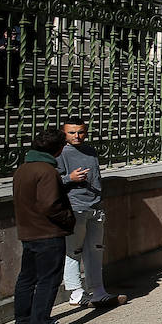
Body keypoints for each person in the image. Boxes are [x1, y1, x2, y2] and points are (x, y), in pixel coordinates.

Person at [13, 128, 79, 324]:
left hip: (28, 232)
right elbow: (51, 204)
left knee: (27, 277)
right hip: (47, 233)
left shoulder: (23, 169)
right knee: (48, 280)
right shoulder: (47, 171)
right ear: (59, 149)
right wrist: (68, 219)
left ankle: (23, 321)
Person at [57, 117, 126, 308]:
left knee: (95, 249)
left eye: (80, 132)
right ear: (64, 134)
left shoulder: (90, 150)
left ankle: (98, 290)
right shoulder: (61, 152)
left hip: (95, 206)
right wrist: (69, 178)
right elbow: (52, 180)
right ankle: (75, 292)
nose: (76, 136)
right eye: (72, 132)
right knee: (74, 250)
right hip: (74, 206)